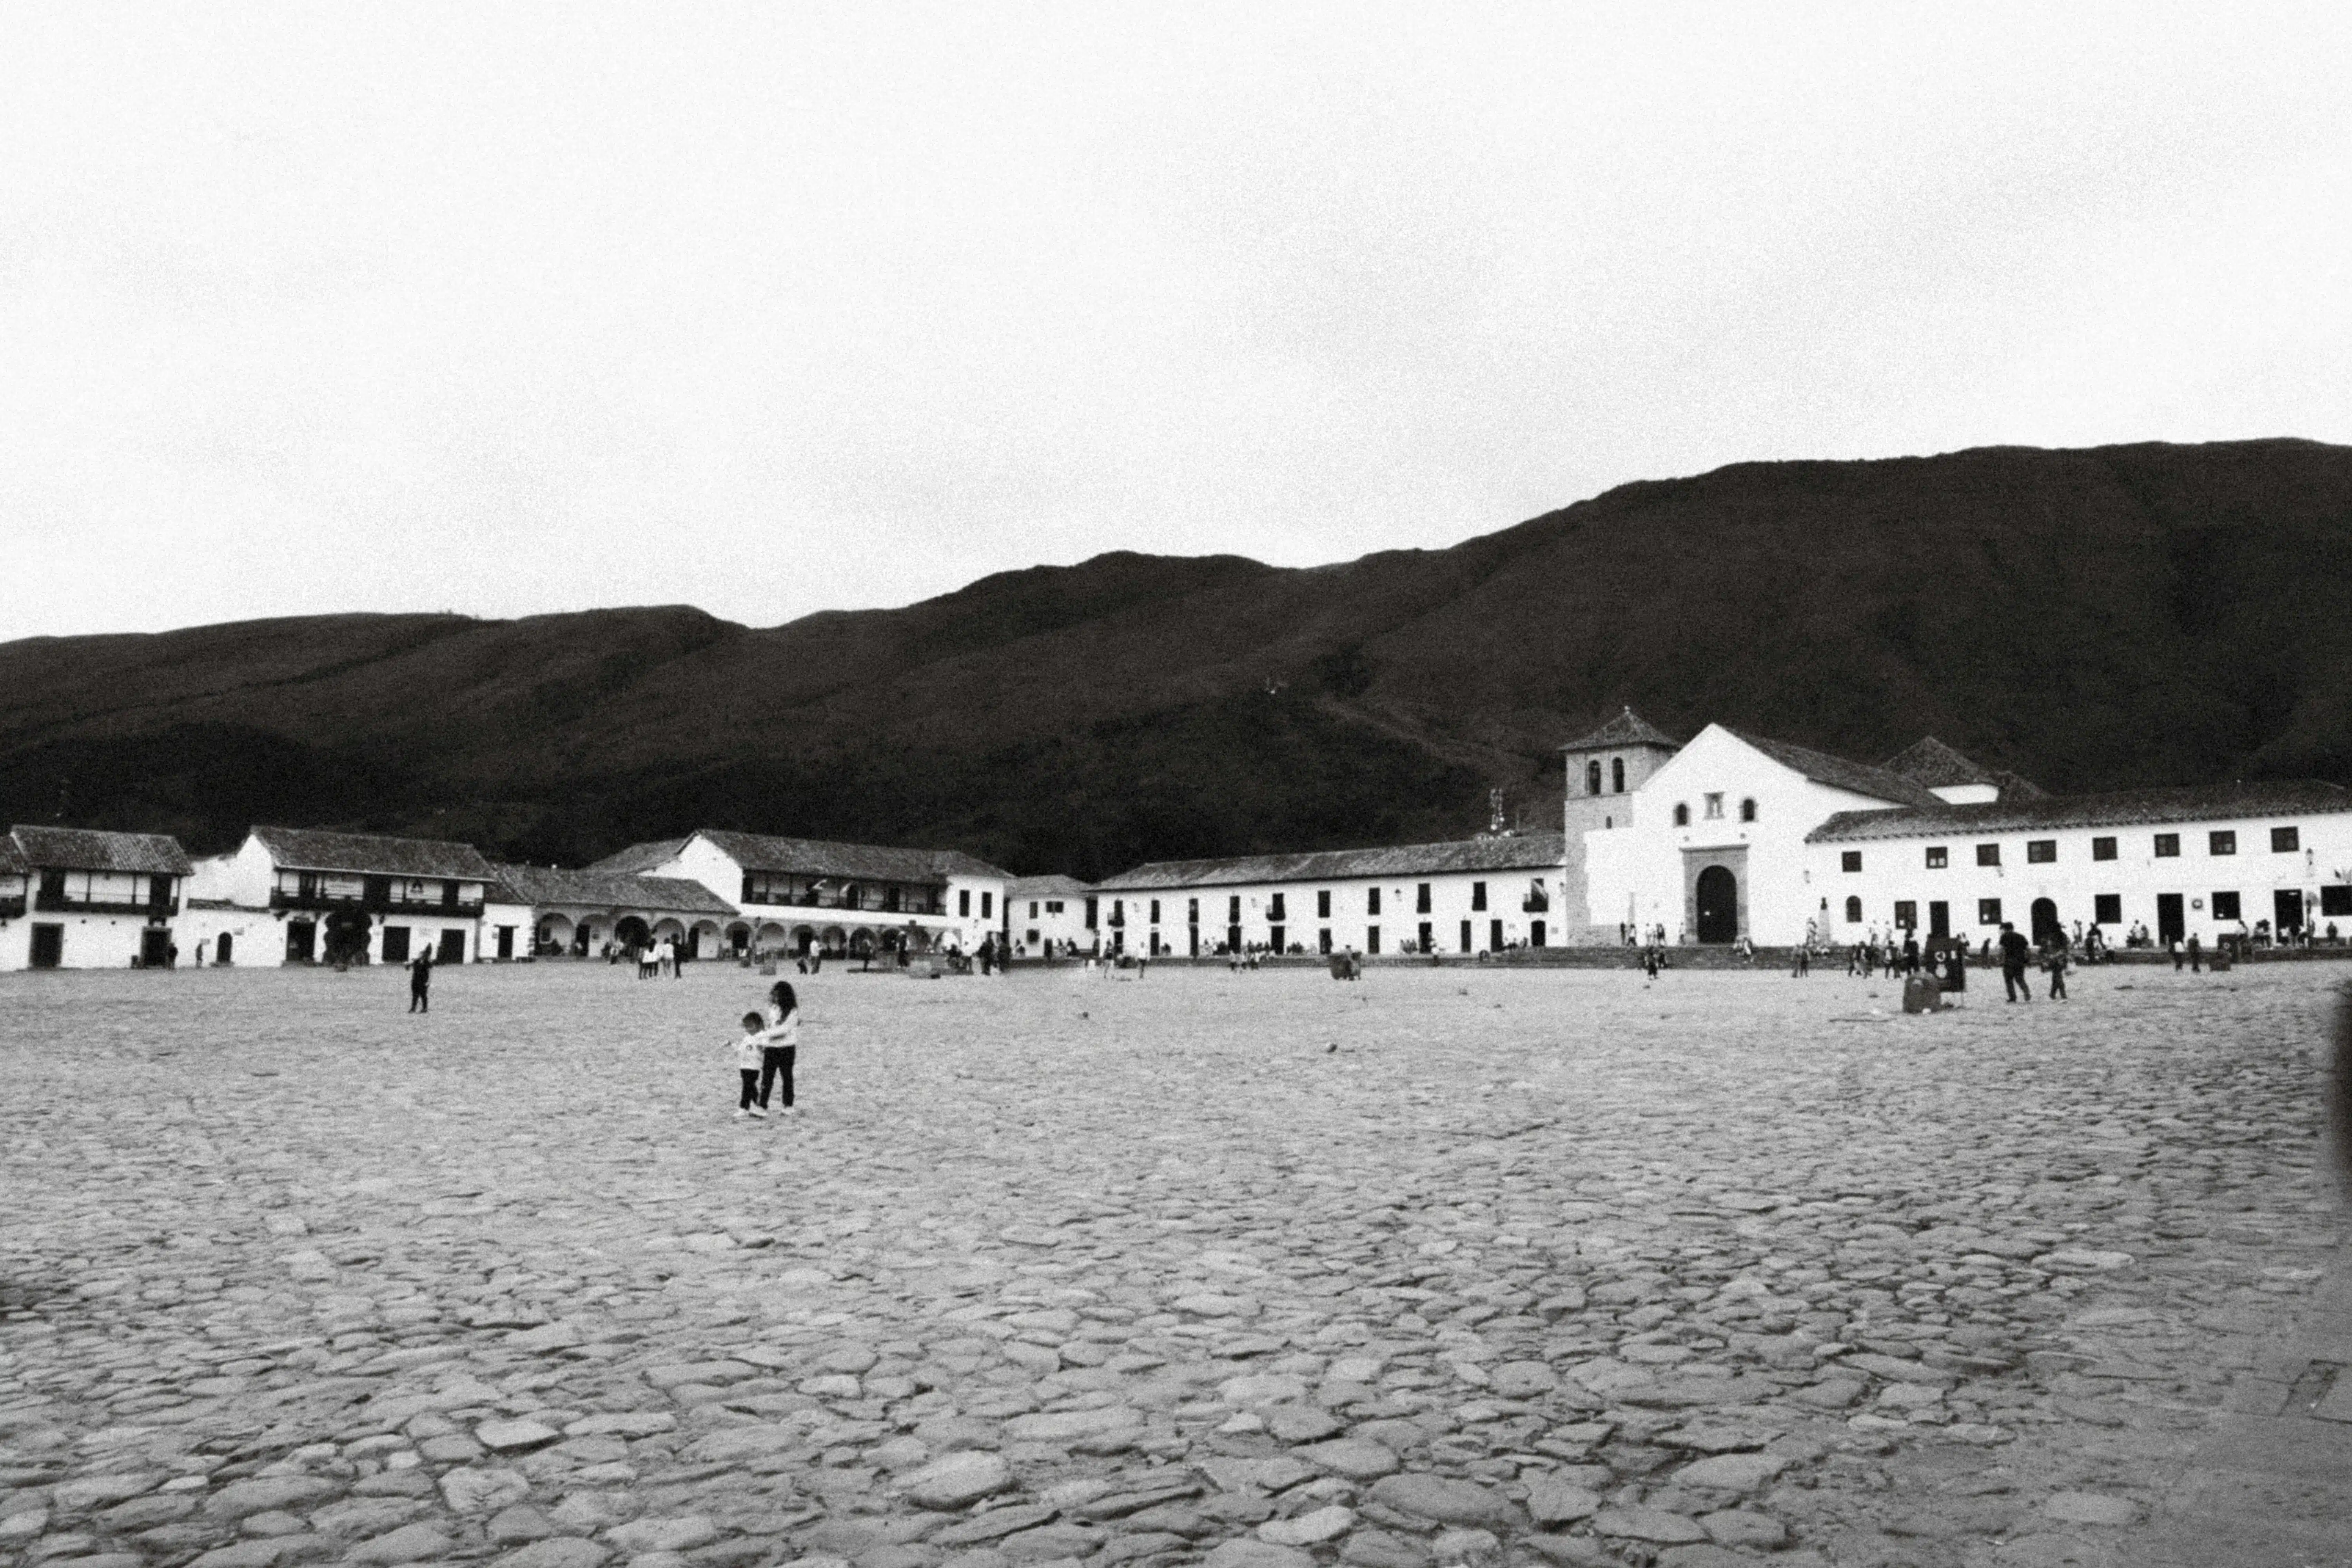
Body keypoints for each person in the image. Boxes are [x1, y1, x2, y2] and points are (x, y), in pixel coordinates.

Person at [759, 982, 799, 1115]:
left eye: (777, 995)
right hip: (771, 1048)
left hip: (787, 1048)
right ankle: (762, 1105)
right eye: (774, 995)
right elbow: (770, 1027)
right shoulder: (773, 1009)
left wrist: (765, 1035)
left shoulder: (793, 1012)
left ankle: (788, 1105)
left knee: (786, 1077)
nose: (775, 998)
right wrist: (764, 1042)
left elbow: (784, 1030)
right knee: (767, 1077)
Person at [730, 1011, 768, 1120]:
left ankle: (744, 1108)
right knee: (750, 1087)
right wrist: (731, 1045)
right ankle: (759, 1105)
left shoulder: (763, 1037)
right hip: (744, 1066)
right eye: (746, 1027)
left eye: (751, 1027)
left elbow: (767, 1049)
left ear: (759, 1025)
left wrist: (764, 1049)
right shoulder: (747, 1038)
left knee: (747, 1087)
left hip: (754, 1067)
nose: (748, 1029)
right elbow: (740, 1050)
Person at [1997, 922, 2032, 1003]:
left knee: (2009, 981)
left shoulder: (2004, 937)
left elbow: (2001, 950)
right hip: (2020, 962)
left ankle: (2013, 998)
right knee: (2020, 979)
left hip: (2008, 962)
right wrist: (2028, 960)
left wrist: (2000, 960)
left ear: (2005, 929)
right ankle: (2026, 992)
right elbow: (2028, 949)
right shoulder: (2021, 937)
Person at [408, 947, 433, 1013]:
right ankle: (413, 1008)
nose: (420, 956)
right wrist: (407, 965)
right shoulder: (416, 962)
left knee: (423, 995)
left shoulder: (427, 963)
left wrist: (429, 982)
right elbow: (408, 968)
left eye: (422, 955)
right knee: (415, 995)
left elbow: (430, 972)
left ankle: (425, 1009)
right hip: (415, 980)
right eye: (420, 955)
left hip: (423, 981)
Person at [2045, 936, 2069, 1000]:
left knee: (2057, 978)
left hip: (2058, 963)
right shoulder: (2054, 943)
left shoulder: (2056, 944)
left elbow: (2063, 953)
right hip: (2056, 963)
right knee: (2057, 979)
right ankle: (2062, 995)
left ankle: (2053, 994)